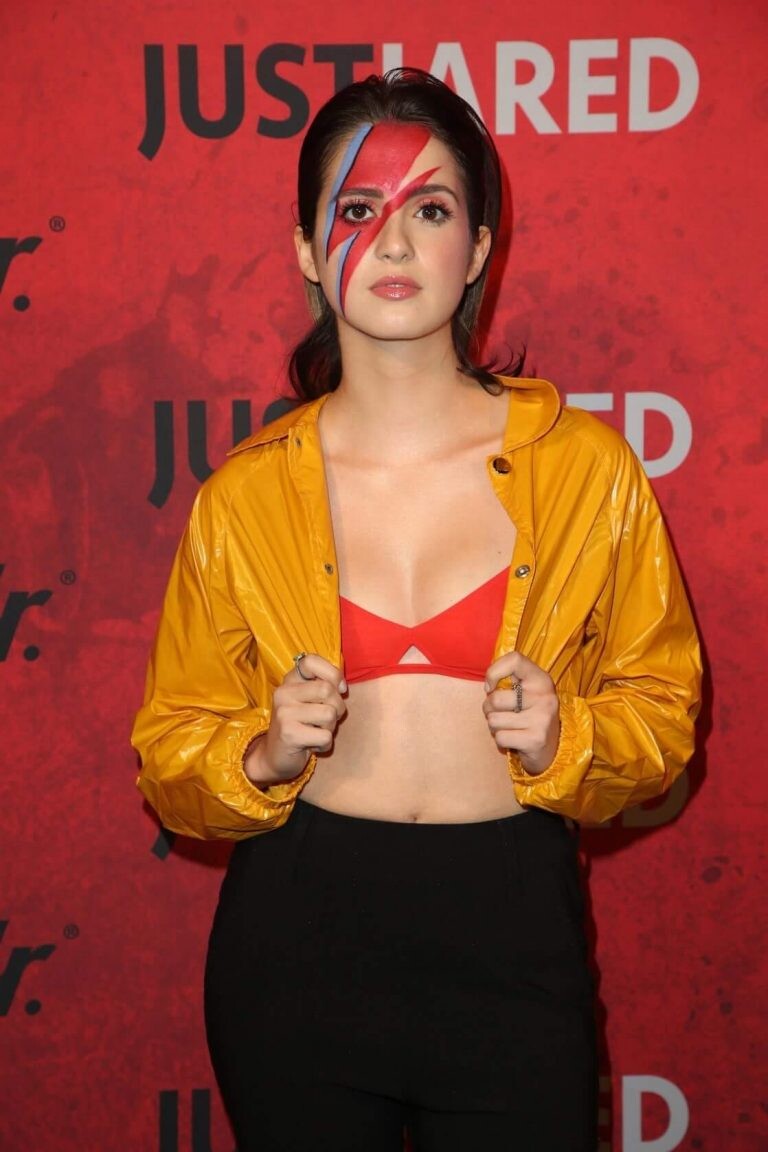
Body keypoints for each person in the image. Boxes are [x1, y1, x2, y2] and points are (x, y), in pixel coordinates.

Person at [132, 69, 701, 1152]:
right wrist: (257, 756)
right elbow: (168, 752)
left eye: (430, 209)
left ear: (478, 248)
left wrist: (571, 736)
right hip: (295, 950)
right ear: (307, 249)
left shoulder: (587, 469)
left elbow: (664, 715)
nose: (392, 242)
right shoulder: (243, 495)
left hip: (511, 940)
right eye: (357, 209)